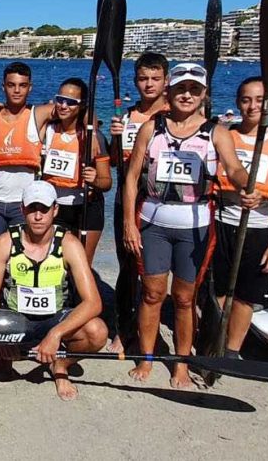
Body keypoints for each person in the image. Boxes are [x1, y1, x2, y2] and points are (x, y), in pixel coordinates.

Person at [122, 63, 254, 388]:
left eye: (194, 90)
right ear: (170, 91)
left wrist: (245, 184)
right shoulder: (151, 128)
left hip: (194, 227)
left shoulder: (215, 132)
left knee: (184, 299)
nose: (186, 95)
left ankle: (181, 362)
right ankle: (147, 356)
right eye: (181, 88)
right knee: (152, 294)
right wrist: (128, 223)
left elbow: (234, 168)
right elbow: (129, 179)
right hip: (153, 221)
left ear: (203, 95)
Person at [0, 180, 108, 401]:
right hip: (15, 321)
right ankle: (8, 356)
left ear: (55, 210)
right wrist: (3, 337)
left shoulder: (69, 244)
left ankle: (60, 364)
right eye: (32, 209)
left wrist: (55, 334)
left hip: (55, 320)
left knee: (98, 333)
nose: (38, 216)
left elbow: (93, 302)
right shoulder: (6, 241)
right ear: (22, 209)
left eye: (44, 209)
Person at [211, 78, 268, 360]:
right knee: (218, 291)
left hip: (260, 228)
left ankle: (233, 350)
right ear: (238, 102)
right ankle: (212, 343)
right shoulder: (223, 136)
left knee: (246, 296)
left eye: (259, 100)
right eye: (246, 100)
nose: (252, 106)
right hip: (222, 223)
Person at [108, 52, 170, 344]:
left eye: (155, 79)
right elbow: (112, 161)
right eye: (143, 78)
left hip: (162, 202)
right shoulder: (126, 117)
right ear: (135, 81)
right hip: (127, 200)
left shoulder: (175, 116)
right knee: (128, 267)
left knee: (156, 270)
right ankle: (123, 328)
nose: (149, 84)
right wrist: (114, 137)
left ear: (165, 81)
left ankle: (152, 327)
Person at [0, 62, 53, 234]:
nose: (17, 90)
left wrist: (95, 134)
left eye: (22, 85)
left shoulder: (39, 114)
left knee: (20, 256)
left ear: (30, 87)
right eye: (11, 85)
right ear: (3, 87)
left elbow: (76, 109)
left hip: (25, 203)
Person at [40, 77, 111, 258]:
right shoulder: (47, 130)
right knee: (57, 265)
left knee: (82, 266)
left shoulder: (94, 138)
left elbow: (106, 182)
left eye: (71, 102)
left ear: (81, 106)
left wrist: (94, 180)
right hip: (55, 208)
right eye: (60, 99)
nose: (64, 106)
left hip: (86, 208)